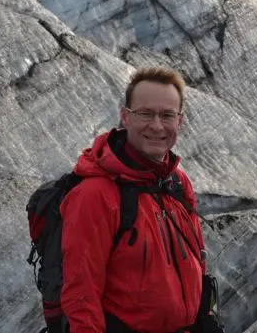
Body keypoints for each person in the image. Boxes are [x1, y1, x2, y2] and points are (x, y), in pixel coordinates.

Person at [59, 66, 217, 333]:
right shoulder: (95, 195)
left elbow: (196, 264)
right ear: (125, 116)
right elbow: (80, 295)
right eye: (145, 113)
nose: (156, 126)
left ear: (180, 121)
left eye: (167, 115)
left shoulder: (177, 183)